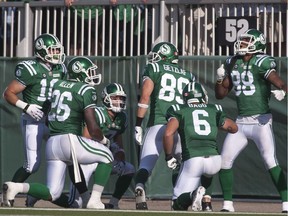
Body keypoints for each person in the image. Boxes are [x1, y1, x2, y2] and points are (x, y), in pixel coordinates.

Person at [2, 56, 113, 209]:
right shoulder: (85, 89)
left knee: (53, 192)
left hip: (54, 141)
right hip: (67, 137)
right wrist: (104, 141)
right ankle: (94, 200)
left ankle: (16, 187)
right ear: (79, 73)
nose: (92, 75)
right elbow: (93, 129)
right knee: (107, 155)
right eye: (89, 72)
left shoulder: (58, 85)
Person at [214, 28, 288, 213]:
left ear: (257, 44)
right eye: (243, 40)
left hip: (260, 121)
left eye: (247, 41)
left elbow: (279, 81)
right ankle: (228, 204)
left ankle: (286, 203)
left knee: (270, 161)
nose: (243, 43)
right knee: (224, 160)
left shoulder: (262, 61)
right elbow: (221, 94)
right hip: (240, 122)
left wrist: (283, 90)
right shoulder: (232, 62)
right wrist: (219, 78)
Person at [134, 41, 196, 210]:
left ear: (162, 56)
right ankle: (178, 198)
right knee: (181, 164)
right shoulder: (188, 75)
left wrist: (138, 124)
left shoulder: (154, 68)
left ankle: (139, 188)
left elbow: (145, 97)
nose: (152, 59)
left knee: (146, 164)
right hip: (179, 124)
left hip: (158, 123)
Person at [163, 81, 238, 211]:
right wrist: (214, 125)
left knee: (177, 204)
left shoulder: (179, 109)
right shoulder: (214, 109)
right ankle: (207, 201)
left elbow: (168, 133)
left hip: (193, 160)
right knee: (208, 174)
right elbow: (233, 128)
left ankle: (194, 194)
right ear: (203, 96)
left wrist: (168, 156)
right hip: (215, 161)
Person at [2, 33, 66, 183]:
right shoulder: (30, 68)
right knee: (32, 165)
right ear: (41, 51)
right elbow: (8, 93)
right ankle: (9, 191)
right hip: (33, 120)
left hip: (52, 120)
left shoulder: (61, 68)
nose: (56, 53)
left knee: (66, 156)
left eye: (57, 50)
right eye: (52, 50)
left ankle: (62, 194)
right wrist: (26, 107)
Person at [67, 83, 135, 209]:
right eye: (115, 98)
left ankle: (113, 203)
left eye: (121, 98)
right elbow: (85, 139)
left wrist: (119, 149)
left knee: (129, 169)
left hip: (103, 159)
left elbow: (117, 134)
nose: (119, 101)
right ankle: (39, 195)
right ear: (106, 98)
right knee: (75, 203)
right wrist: (104, 146)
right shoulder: (97, 113)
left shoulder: (122, 117)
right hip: (87, 158)